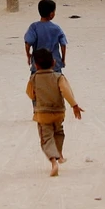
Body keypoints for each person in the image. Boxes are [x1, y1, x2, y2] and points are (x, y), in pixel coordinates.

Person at [26, 47, 82, 176]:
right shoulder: (59, 77)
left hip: (42, 114)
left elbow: (30, 94)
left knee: (46, 138)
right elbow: (66, 92)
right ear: (54, 62)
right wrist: (74, 105)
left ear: (36, 65)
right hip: (58, 112)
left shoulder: (33, 78)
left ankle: (53, 162)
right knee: (58, 132)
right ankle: (60, 154)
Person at [24, 0, 68, 74]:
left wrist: (28, 55)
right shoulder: (56, 28)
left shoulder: (34, 27)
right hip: (54, 65)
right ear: (51, 14)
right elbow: (63, 44)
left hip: (38, 65)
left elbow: (28, 43)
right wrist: (63, 59)